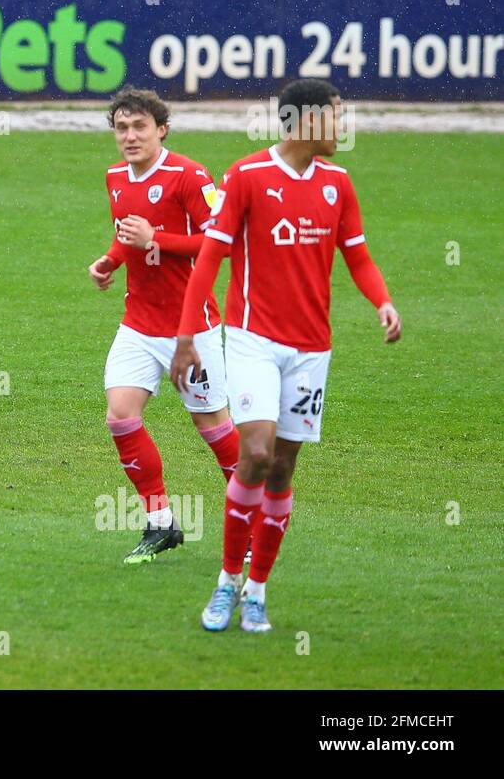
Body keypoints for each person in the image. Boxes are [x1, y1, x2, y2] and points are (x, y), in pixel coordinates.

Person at [171, 79, 401, 634]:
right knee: (254, 450)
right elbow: (209, 259)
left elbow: (359, 257)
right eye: (337, 117)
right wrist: (186, 336)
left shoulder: (338, 185)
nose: (343, 129)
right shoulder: (246, 176)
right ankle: (227, 580)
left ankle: (258, 589)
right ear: (305, 121)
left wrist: (383, 301)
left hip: (311, 351)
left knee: (282, 467)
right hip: (253, 340)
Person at [87, 87, 241, 564]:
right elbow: (127, 235)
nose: (130, 136)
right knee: (121, 415)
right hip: (138, 322)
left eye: (139, 127)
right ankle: (160, 523)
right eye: (121, 128)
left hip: (190, 328)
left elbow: (221, 243)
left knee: (210, 423)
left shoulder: (189, 176)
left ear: (161, 129)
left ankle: (254, 515)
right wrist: (112, 260)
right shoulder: (115, 176)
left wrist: (159, 239)